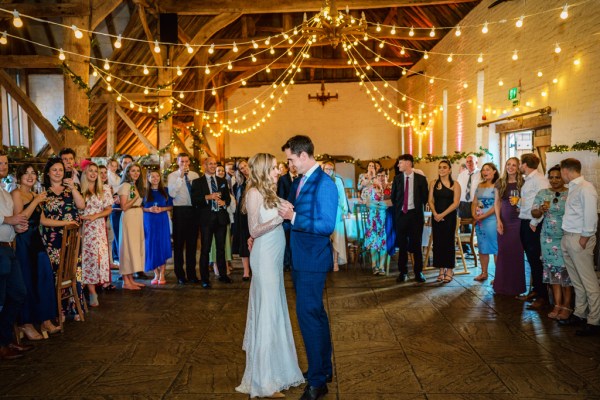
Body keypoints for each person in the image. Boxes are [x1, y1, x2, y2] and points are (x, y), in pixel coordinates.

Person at [236, 153, 304, 398]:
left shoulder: (270, 191)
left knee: (275, 310)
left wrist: (286, 209)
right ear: (264, 169)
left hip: (273, 256)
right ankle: (264, 381)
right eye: (275, 167)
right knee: (267, 311)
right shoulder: (254, 193)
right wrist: (279, 217)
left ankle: (280, 372)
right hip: (264, 257)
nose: (279, 170)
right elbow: (254, 228)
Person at [279, 135, 337, 400]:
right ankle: (323, 369)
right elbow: (292, 210)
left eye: (291, 159)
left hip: (312, 259)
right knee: (316, 315)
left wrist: (294, 217)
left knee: (308, 317)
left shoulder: (325, 184)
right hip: (300, 256)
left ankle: (317, 382)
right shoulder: (300, 181)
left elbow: (326, 226)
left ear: (303, 156)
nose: (289, 164)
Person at [11, 163, 58, 341]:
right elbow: (20, 217)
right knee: (28, 281)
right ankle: (27, 323)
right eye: (26, 173)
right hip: (23, 242)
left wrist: (67, 224)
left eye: (33, 173)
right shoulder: (16, 194)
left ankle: (45, 319)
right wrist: (37, 201)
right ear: (19, 177)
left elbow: (43, 220)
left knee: (45, 278)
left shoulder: (32, 194)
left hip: (37, 241)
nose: (30, 176)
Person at [39, 157, 85, 321]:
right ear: (48, 173)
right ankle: (59, 311)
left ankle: (74, 306)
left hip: (71, 238)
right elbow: (42, 219)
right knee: (57, 274)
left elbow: (81, 206)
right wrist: (65, 222)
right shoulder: (43, 191)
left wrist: (73, 188)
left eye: (60, 170)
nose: (58, 173)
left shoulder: (71, 187)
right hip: (52, 239)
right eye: (54, 170)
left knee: (73, 271)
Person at [558, 158, 599, 336]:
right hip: (568, 236)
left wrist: (584, 237)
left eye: (560, 172)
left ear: (566, 171)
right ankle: (580, 313)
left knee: (589, 282)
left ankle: (595, 320)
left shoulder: (586, 188)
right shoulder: (573, 188)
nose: (560, 175)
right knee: (577, 281)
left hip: (579, 238)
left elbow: (591, 215)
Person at [531, 165, 571, 320]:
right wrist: (540, 210)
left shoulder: (570, 193)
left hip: (565, 236)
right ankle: (557, 305)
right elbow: (533, 212)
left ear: (563, 177)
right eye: (551, 177)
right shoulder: (543, 193)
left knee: (566, 273)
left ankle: (567, 306)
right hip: (547, 237)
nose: (554, 180)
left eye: (557, 177)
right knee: (553, 272)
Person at [0, 152, 30, 359]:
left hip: (8, 246)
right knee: (1, 298)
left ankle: (5, 339)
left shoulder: (3, 190)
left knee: (18, 293)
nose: (3, 166)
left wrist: (17, 226)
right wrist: (8, 219)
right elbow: (5, 218)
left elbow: (10, 219)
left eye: (5, 163)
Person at [191, 157, 232, 288]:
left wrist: (224, 202)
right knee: (205, 249)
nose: (213, 166)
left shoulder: (222, 181)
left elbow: (228, 199)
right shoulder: (197, 182)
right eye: (210, 164)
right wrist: (208, 197)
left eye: (215, 164)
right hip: (206, 220)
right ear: (204, 165)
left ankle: (223, 275)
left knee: (221, 249)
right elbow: (194, 200)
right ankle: (205, 279)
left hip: (221, 218)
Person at [518, 153, 550, 310]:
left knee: (537, 261)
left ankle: (543, 297)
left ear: (524, 164)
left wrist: (534, 222)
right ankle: (536, 290)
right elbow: (530, 200)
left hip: (533, 224)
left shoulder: (540, 180)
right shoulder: (529, 180)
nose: (519, 166)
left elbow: (544, 202)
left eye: (520, 163)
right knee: (531, 260)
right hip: (525, 221)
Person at [79, 161, 113, 307]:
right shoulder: (79, 189)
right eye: (90, 171)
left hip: (98, 228)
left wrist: (95, 216)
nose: (93, 173)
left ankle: (93, 289)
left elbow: (109, 209)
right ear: (85, 173)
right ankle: (90, 291)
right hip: (83, 229)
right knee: (85, 260)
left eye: (95, 171)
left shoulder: (104, 189)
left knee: (98, 259)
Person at [391, 154, 429, 283]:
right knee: (402, 246)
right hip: (401, 216)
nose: (398, 165)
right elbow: (393, 198)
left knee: (417, 244)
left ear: (408, 163)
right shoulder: (397, 179)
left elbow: (425, 197)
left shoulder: (420, 179)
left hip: (415, 216)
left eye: (400, 163)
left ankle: (418, 272)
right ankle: (403, 272)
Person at [493, 157, 525, 296]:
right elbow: (497, 203)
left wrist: (520, 202)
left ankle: (516, 287)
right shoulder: (500, 182)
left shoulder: (523, 182)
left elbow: (528, 200)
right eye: (508, 164)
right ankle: (501, 286)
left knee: (516, 254)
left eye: (513, 165)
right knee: (503, 252)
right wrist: (498, 220)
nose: (510, 167)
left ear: (518, 167)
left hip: (518, 220)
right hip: (504, 221)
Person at [167, 153, 200, 284]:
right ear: (177, 162)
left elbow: (197, 193)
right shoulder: (172, 176)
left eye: (186, 162)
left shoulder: (195, 175)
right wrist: (180, 176)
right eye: (182, 162)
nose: (184, 164)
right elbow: (172, 193)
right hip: (180, 211)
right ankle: (180, 275)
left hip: (193, 210)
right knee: (179, 244)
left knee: (192, 245)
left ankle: (192, 274)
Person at [428, 160, 461, 283]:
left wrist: (442, 214)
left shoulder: (455, 185)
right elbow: (430, 200)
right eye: (440, 168)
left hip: (449, 217)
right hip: (436, 216)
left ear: (450, 170)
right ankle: (441, 269)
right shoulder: (433, 183)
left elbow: (456, 203)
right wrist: (436, 214)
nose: (441, 170)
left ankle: (450, 269)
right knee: (438, 243)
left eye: (444, 167)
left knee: (448, 242)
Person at [117, 162, 146, 290]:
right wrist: (136, 198)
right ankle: (125, 281)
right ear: (127, 173)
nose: (136, 173)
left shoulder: (135, 185)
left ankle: (131, 279)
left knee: (134, 247)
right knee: (127, 247)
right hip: (129, 216)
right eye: (133, 171)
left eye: (137, 171)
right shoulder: (125, 186)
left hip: (137, 215)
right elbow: (124, 207)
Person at [142, 170, 173, 285]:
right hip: (149, 221)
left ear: (160, 178)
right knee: (151, 246)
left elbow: (170, 206)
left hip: (162, 221)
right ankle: (156, 274)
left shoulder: (165, 191)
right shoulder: (144, 192)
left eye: (157, 176)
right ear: (148, 178)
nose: (155, 178)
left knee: (161, 245)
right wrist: (148, 209)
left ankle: (163, 274)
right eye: (152, 176)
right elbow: (139, 207)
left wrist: (162, 209)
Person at [471, 162, 499, 282]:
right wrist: (474, 215)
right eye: (483, 170)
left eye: (488, 169)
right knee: (482, 247)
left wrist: (484, 216)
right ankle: (484, 273)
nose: (485, 172)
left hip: (492, 220)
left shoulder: (497, 185)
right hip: (480, 221)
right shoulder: (480, 185)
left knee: (495, 247)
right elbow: (474, 202)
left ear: (494, 171)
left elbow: (496, 205)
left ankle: (498, 276)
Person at [209, 165, 235, 276]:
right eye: (218, 170)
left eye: (222, 170)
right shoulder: (209, 183)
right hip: (210, 218)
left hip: (223, 217)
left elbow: (229, 200)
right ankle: (215, 265)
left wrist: (225, 202)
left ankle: (225, 264)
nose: (221, 172)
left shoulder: (225, 183)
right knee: (213, 243)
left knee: (224, 244)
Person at [323, 161, 348, 271]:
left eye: (330, 169)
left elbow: (342, 197)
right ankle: (326, 261)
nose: (328, 171)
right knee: (325, 238)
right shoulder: (320, 181)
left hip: (336, 212)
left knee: (337, 237)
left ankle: (335, 262)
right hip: (323, 212)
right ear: (323, 170)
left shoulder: (337, 181)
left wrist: (345, 211)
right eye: (326, 169)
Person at [364, 170, 391, 275]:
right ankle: (374, 266)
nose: (381, 177)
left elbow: (391, 203)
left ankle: (381, 267)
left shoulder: (388, 189)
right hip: (372, 220)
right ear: (376, 177)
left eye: (383, 176)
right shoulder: (370, 189)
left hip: (384, 219)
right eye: (379, 175)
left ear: (386, 176)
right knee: (373, 242)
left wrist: (376, 203)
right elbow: (367, 204)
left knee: (383, 242)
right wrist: (381, 204)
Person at [110, 154, 134, 269]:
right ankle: (120, 263)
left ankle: (134, 266)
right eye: (125, 163)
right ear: (121, 164)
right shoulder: (116, 177)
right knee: (118, 237)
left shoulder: (137, 178)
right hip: (118, 210)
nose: (127, 165)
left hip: (132, 212)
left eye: (129, 162)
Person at [457, 154, 480, 254]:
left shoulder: (480, 173)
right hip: (462, 203)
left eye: (471, 161)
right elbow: (458, 188)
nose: (469, 163)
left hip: (475, 203)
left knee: (478, 224)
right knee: (463, 225)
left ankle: (479, 247)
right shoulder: (462, 174)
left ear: (476, 162)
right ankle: (465, 248)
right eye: (467, 161)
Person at [232, 159, 252, 280]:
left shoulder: (257, 180)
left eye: (245, 166)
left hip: (255, 214)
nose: (244, 169)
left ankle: (256, 268)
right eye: (241, 168)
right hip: (243, 216)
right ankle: (246, 271)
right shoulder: (238, 184)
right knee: (244, 242)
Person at [277, 161, 295, 271]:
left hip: (298, 215)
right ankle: (287, 263)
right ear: (288, 166)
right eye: (290, 164)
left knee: (295, 241)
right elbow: (281, 195)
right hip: (287, 215)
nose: (293, 166)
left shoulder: (302, 178)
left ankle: (294, 262)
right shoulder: (283, 179)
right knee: (286, 240)